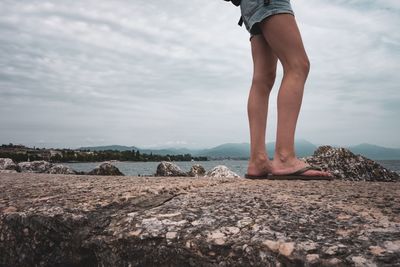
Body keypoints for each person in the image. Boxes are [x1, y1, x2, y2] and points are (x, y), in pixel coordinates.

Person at [239, 0, 334, 180]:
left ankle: (257, 160)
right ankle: (284, 157)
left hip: (249, 6)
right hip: (268, 2)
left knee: (263, 79)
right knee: (298, 65)